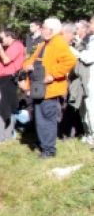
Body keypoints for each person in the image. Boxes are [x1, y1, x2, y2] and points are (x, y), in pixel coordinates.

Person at [22, 17, 77, 158]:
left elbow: (70, 60)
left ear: (51, 30)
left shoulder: (58, 42)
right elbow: (32, 59)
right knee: (40, 119)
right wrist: (28, 65)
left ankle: (49, 150)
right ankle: (44, 146)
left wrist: (52, 75)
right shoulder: (45, 43)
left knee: (47, 119)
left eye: (44, 28)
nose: (41, 30)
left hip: (50, 90)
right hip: (39, 88)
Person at [0, 28, 25, 143]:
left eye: (1, 37)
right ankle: (6, 135)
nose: (0, 40)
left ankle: (0, 136)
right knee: (4, 107)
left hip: (7, 80)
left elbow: (6, 60)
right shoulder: (5, 47)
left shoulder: (17, 45)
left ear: (10, 37)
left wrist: (0, 49)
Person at [69, 20, 94, 143]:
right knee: (83, 107)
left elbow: (88, 58)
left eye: (92, 23)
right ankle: (88, 133)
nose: (90, 26)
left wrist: (74, 51)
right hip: (84, 78)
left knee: (91, 107)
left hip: (91, 78)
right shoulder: (89, 40)